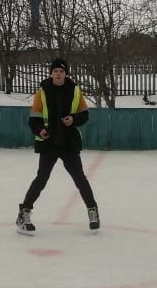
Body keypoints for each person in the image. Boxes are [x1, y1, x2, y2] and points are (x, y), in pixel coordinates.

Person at [16, 58, 99, 235]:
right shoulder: (42, 92)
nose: (58, 74)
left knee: (80, 179)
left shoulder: (75, 91)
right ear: (51, 73)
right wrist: (40, 131)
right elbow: (34, 118)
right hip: (49, 143)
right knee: (41, 180)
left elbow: (84, 115)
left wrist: (73, 119)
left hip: (69, 143)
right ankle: (24, 214)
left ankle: (93, 211)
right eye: (55, 71)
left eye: (61, 71)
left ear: (66, 73)